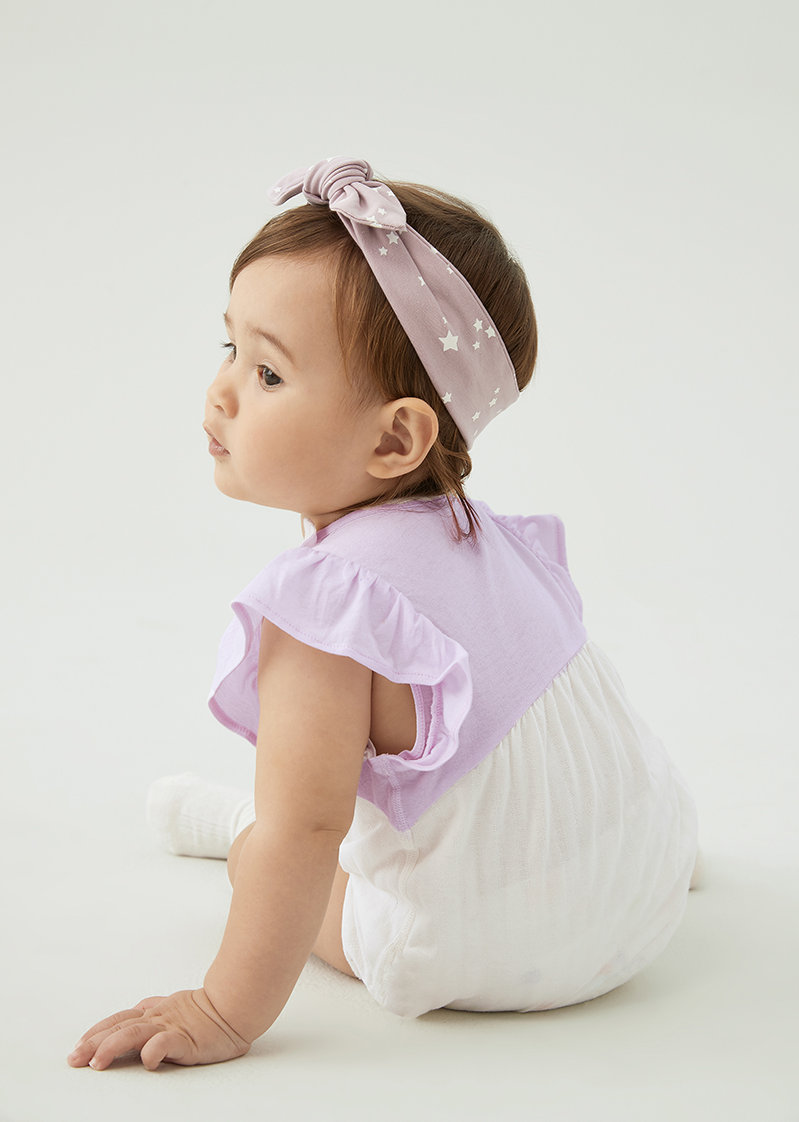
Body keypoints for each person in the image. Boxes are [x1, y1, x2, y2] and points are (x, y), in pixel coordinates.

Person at [67, 157, 699, 1073]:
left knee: (274, 850)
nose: (221, 392)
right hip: (646, 889)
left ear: (397, 437)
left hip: (482, 950)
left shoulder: (327, 608)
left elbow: (306, 835)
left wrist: (222, 1010)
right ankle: (601, 851)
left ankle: (227, 825)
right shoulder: (489, 542)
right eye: (228, 348)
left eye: (269, 372)